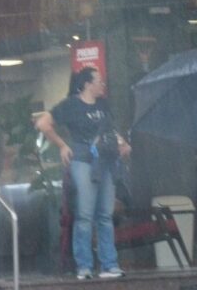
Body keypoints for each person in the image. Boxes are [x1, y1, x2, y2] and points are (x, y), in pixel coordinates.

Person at [36, 67, 132, 279]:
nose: (102, 85)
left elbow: (110, 130)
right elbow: (43, 123)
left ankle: (108, 264)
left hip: (105, 160)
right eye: (99, 81)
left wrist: (122, 143)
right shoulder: (71, 105)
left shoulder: (103, 105)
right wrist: (62, 145)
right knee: (86, 214)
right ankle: (85, 265)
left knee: (104, 214)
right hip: (83, 160)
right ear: (87, 84)